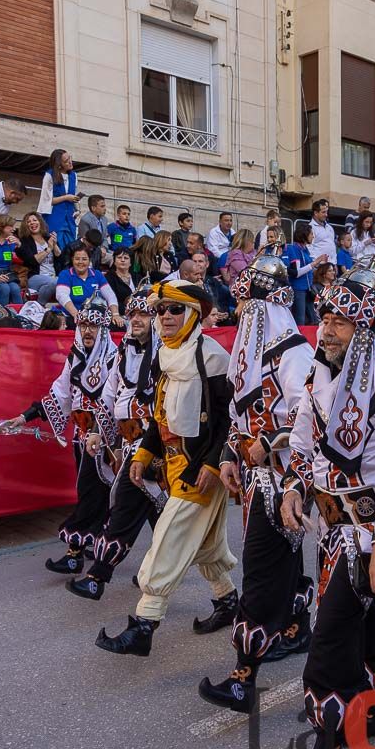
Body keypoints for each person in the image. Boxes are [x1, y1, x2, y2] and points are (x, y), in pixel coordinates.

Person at [278, 264, 375, 749]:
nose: (328, 329)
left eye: (342, 320)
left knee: (329, 634)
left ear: (365, 328)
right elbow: (304, 443)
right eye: (325, 316)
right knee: (359, 621)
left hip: (369, 534)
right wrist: (294, 487)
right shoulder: (318, 376)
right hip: (331, 533)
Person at [197, 254, 317, 712]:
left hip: (286, 480)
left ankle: (243, 676)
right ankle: (295, 627)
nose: (243, 310)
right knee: (281, 564)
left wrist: (268, 441)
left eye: (249, 302)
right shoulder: (249, 359)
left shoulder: (292, 352)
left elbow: (311, 415)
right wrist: (231, 453)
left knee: (262, 570)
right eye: (242, 301)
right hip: (256, 481)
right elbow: (238, 415)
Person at [95, 280, 238, 656]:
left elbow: (229, 420)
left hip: (201, 469)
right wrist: (143, 454)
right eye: (160, 310)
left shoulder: (213, 357)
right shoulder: (164, 356)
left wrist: (213, 462)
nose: (165, 317)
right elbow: (161, 418)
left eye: (175, 309)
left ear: (193, 314)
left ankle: (144, 624)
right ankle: (228, 602)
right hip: (173, 464)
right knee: (203, 544)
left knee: (168, 538)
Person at [66, 283, 168, 600]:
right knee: (162, 519)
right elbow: (110, 397)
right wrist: (98, 431)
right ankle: (220, 592)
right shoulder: (123, 352)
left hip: (153, 448)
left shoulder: (167, 355)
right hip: (128, 446)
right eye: (132, 313)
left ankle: (98, 576)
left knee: (123, 509)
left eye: (143, 314)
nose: (136, 319)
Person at [4, 298, 121, 575]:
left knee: (93, 495)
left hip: (106, 439)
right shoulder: (75, 357)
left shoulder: (115, 359)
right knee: (92, 494)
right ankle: (101, 545)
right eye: (84, 324)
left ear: (104, 328)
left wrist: (103, 431)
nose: (88, 331)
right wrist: (23, 417)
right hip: (82, 439)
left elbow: (118, 400)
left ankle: (75, 553)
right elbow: (59, 395)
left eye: (94, 325)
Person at [54, 244, 120, 326]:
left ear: (89, 261)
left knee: (119, 325)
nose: (80, 262)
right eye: (77, 259)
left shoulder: (97, 274)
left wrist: (116, 314)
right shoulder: (65, 274)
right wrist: (76, 314)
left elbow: (110, 295)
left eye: (84, 259)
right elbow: (61, 295)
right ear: (72, 260)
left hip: (96, 317)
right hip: (72, 317)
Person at [284, 223, 328, 326]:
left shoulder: (305, 250)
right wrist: (315, 262)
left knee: (313, 319)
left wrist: (320, 264)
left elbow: (307, 269)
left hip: (308, 290)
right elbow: (297, 273)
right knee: (300, 320)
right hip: (298, 289)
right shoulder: (293, 249)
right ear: (304, 235)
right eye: (311, 234)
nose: (313, 236)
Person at [37, 149, 80, 247]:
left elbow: (73, 196)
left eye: (70, 158)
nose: (70, 162)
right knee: (55, 244)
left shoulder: (74, 175)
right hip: (54, 216)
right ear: (59, 164)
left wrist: (77, 210)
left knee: (70, 246)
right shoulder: (49, 175)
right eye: (66, 161)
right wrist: (66, 197)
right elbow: (47, 200)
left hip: (69, 218)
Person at [16, 212, 62, 303]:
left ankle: (39, 306)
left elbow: (59, 257)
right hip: (34, 277)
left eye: (35, 220)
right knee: (56, 282)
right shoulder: (24, 241)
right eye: (29, 222)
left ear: (40, 222)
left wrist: (55, 244)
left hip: (52, 275)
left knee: (51, 284)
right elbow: (32, 261)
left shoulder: (47, 237)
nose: (32, 223)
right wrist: (48, 249)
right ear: (26, 226)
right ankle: (39, 306)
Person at [106, 247, 141, 317]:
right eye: (119, 258)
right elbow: (109, 300)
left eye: (126, 258)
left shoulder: (138, 277)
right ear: (114, 262)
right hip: (119, 315)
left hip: (138, 313)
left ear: (131, 262)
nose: (122, 260)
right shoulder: (109, 278)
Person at [78, 194, 111, 261]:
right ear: (93, 208)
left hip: (102, 250)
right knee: (114, 259)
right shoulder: (85, 220)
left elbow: (104, 238)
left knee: (118, 256)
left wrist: (104, 247)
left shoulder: (104, 219)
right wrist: (99, 250)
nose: (105, 208)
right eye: (102, 206)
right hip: (88, 250)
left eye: (105, 206)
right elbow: (85, 241)